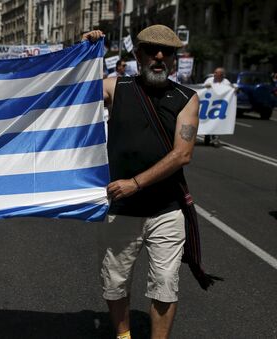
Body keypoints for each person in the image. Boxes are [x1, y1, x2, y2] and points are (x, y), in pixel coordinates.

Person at [84, 25, 214, 339]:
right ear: (138, 54)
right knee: (114, 281)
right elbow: (76, 89)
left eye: (166, 52)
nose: (159, 57)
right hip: (121, 209)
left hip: (166, 211)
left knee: (166, 284)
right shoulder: (117, 87)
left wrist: (136, 183)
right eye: (152, 50)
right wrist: (86, 51)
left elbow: (182, 154)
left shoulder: (187, 98)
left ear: (173, 60)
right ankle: (124, 335)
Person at [203, 67, 232, 146]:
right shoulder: (209, 80)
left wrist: (234, 89)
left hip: (219, 105)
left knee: (217, 121)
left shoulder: (226, 82)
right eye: (214, 72)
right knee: (208, 121)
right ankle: (207, 136)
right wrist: (206, 86)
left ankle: (216, 138)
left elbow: (231, 90)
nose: (214, 74)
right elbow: (202, 89)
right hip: (209, 105)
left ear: (222, 75)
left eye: (216, 73)